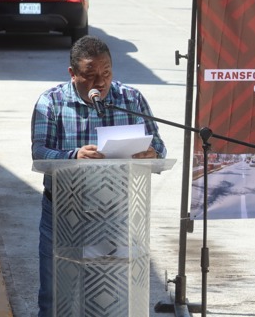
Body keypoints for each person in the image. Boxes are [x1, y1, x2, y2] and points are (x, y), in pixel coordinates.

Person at [30, 35, 167, 317]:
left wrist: (151, 153)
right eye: (90, 76)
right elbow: (39, 154)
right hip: (64, 213)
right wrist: (72, 156)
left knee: (116, 298)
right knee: (55, 298)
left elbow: (160, 148)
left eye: (106, 73)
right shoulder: (51, 103)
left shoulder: (130, 99)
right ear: (73, 74)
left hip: (118, 215)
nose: (100, 83)